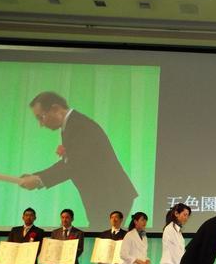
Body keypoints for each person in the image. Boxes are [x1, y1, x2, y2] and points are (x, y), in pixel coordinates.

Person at [18, 91, 138, 230]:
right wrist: (37, 177)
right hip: (104, 196)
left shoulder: (80, 126)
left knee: (104, 237)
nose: (41, 124)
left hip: (111, 196)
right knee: (101, 235)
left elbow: (74, 164)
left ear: (55, 108)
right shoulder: (71, 125)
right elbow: (72, 162)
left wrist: (39, 179)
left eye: (41, 117)